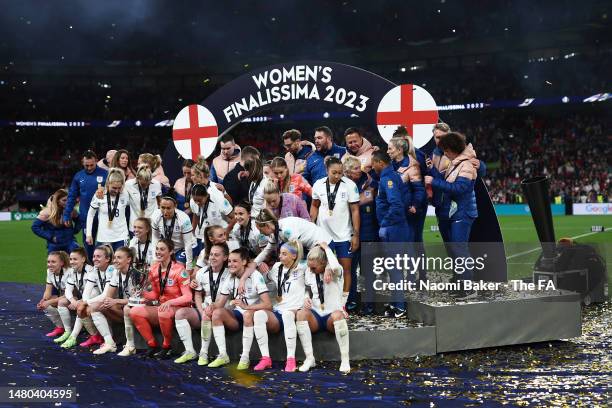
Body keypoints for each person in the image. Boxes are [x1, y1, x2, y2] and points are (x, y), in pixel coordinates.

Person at [425, 132, 479, 298]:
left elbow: (459, 189)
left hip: (462, 212)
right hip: (454, 213)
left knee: (460, 250)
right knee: (454, 251)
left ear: (452, 149)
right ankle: (459, 284)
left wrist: (433, 181)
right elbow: (447, 181)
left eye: (446, 150)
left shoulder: (467, 165)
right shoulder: (456, 163)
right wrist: (432, 170)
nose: (444, 154)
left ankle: (468, 288)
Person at [207, 248, 272, 369]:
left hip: (254, 315)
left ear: (243, 262)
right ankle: (223, 355)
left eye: (235, 261)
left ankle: (245, 357)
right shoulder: (230, 277)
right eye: (229, 261)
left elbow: (268, 305)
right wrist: (212, 306)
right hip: (238, 316)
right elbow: (220, 303)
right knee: (216, 313)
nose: (231, 264)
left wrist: (247, 307)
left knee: (247, 314)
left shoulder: (255, 276)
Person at [310, 156, 360, 311]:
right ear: (327, 171)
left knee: (346, 269)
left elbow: (355, 210)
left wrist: (356, 235)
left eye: (340, 173)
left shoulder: (349, 185)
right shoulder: (318, 185)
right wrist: (312, 227)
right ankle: (326, 301)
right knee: (324, 269)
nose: (338, 176)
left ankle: (344, 303)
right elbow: (314, 206)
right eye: (334, 173)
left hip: (344, 235)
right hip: (324, 237)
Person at [129, 239, 192, 358]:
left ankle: (167, 346)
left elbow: (188, 297)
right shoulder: (154, 269)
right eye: (157, 249)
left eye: (162, 249)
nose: (158, 252)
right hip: (163, 307)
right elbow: (155, 295)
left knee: (163, 311)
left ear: (171, 251)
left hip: (180, 309)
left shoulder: (179, 270)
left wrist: (169, 302)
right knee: (134, 312)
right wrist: (142, 294)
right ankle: (152, 345)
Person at [173, 242, 231, 365]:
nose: (212, 257)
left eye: (217, 255)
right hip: (206, 309)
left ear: (225, 257)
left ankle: (204, 352)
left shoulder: (230, 273)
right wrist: (201, 311)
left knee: (210, 314)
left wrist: (208, 311)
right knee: (180, 314)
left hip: (225, 310)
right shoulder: (202, 272)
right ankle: (190, 351)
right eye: (211, 255)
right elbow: (198, 295)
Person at [296, 243, 350, 373]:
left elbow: (335, 265)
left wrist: (327, 249)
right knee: (301, 314)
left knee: (338, 316)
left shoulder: (336, 271)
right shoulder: (309, 272)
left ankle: (345, 359)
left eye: (314, 267)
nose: (310, 269)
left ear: (324, 262)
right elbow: (308, 290)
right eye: (309, 266)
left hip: (331, 317)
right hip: (316, 316)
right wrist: (306, 298)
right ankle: (310, 359)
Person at [257, 240, 307, 372]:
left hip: (294, 310)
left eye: (284, 254)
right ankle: (265, 358)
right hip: (278, 310)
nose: (280, 256)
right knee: (258, 315)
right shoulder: (277, 266)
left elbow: (316, 274)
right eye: (280, 253)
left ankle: (291, 359)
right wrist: (264, 274)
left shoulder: (303, 268)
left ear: (294, 256)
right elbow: (267, 278)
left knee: (287, 314)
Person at [371, 151, 409, 317]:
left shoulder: (388, 179)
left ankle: (400, 306)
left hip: (393, 229)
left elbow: (396, 205)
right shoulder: (389, 177)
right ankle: (395, 302)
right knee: (393, 267)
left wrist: (385, 224)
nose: (372, 166)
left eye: (373, 163)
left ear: (380, 162)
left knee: (394, 269)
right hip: (395, 228)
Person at [85, 247, 138, 355]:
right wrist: (109, 302)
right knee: (95, 307)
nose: (115, 261)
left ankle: (130, 345)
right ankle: (109, 343)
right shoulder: (116, 273)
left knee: (127, 308)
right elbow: (108, 296)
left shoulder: (135, 274)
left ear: (128, 259)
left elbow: (137, 300)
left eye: (119, 258)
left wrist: (116, 301)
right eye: (115, 258)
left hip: (136, 308)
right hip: (123, 306)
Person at [343, 156, 379, 314]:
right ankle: (351, 303)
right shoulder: (342, 186)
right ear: (348, 172)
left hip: (369, 233)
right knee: (349, 270)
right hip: (349, 235)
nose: (360, 170)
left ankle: (369, 306)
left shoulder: (372, 183)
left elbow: (372, 203)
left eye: (359, 167)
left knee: (369, 271)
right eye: (356, 168)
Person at [253, 210, 335, 274]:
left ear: (267, 226)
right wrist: (255, 263)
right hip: (312, 248)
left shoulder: (286, 229)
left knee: (315, 275)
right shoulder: (275, 231)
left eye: (260, 229)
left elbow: (297, 252)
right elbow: (266, 251)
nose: (260, 233)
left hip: (324, 243)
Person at [63, 150, 108, 260]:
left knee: (105, 244)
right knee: (88, 244)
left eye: (91, 165)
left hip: (104, 216)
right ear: (82, 162)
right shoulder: (78, 176)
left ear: (96, 161)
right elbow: (72, 196)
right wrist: (66, 214)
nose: (89, 167)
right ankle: (90, 268)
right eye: (86, 165)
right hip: (86, 217)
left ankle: (105, 270)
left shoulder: (105, 174)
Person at [76, 245, 117, 353]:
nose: (95, 259)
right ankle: (95, 336)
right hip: (107, 300)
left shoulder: (112, 269)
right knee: (82, 306)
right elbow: (86, 292)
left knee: (91, 308)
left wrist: (86, 303)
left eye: (98, 256)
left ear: (107, 259)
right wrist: (84, 302)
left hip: (117, 301)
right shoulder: (95, 270)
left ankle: (109, 342)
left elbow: (106, 295)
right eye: (94, 256)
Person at [57, 248, 99, 349]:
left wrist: (79, 302)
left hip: (95, 299)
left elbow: (95, 292)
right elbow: (68, 290)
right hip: (84, 299)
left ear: (83, 259)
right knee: (62, 302)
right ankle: (68, 331)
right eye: (71, 259)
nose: (72, 262)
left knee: (81, 306)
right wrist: (73, 300)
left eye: (75, 259)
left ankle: (73, 337)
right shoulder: (72, 271)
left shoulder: (90, 270)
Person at [388, 137, 426, 244]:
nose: (387, 152)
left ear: (399, 150)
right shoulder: (388, 165)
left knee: (409, 244)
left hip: (406, 212)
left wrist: (414, 205)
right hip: (392, 212)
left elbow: (419, 189)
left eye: (390, 149)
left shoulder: (412, 166)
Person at [86, 168, 130, 252]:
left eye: (119, 188)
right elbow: (90, 215)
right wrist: (89, 234)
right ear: (108, 183)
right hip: (103, 237)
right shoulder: (99, 195)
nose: (117, 191)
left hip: (121, 237)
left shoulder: (125, 193)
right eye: (114, 188)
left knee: (120, 264)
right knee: (102, 264)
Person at [150, 196, 194, 275]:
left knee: (177, 270)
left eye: (168, 208)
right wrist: (155, 258)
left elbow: (188, 244)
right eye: (162, 207)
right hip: (168, 249)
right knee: (156, 269)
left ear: (175, 206)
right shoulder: (155, 216)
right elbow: (155, 238)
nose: (165, 211)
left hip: (183, 247)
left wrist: (189, 266)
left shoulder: (183, 218)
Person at [190, 183, 233, 260]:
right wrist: (192, 231)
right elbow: (196, 215)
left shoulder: (219, 199)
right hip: (205, 235)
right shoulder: (193, 201)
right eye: (195, 200)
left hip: (220, 236)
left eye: (199, 200)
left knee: (221, 258)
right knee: (205, 259)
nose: (197, 203)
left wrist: (227, 230)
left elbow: (234, 217)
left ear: (206, 195)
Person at [32, 189, 80, 254]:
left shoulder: (71, 210)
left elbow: (79, 221)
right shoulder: (47, 212)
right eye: (64, 200)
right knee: (53, 263)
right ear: (57, 201)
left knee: (76, 261)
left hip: (70, 242)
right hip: (54, 244)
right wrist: (50, 237)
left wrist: (75, 230)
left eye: (68, 200)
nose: (67, 202)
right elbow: (35, 227)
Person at [37, 251, 72, 339]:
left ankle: (69, 331)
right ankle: (60, 327)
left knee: (59, 302)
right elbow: (48, 290)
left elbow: (70, 294)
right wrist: (43, 301)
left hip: (76, 297)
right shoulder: (49, 271)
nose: (50, 264)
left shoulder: (70, 272)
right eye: (48, 262)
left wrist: (49, 301)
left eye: (53, 262)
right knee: (46, 304)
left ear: (62, 263)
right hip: (65, 296)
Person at [124, 164, 162, 233]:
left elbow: (160, 202)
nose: (146, 186)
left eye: (148, 184)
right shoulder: (128, 184)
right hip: (135, 224)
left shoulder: (156, 184)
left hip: (152, 224)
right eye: (143, 184)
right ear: (137, 178)